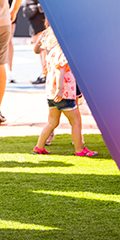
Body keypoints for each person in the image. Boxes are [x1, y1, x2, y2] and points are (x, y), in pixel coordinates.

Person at [32, 24, 98, 157]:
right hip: (64, 94)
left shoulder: (52, 53)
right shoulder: (63, 52)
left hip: (51, 94)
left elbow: (47, 70)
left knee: (52, 122)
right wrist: (60, 90)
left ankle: (39, 146)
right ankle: (80, 150)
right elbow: (60, 70)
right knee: (76, 122)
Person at [22, 0, 47, 84]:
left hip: (38, 15)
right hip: (33, 15)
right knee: (40, 47)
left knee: (42, 47)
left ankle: (45, 73)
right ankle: (44, 72)